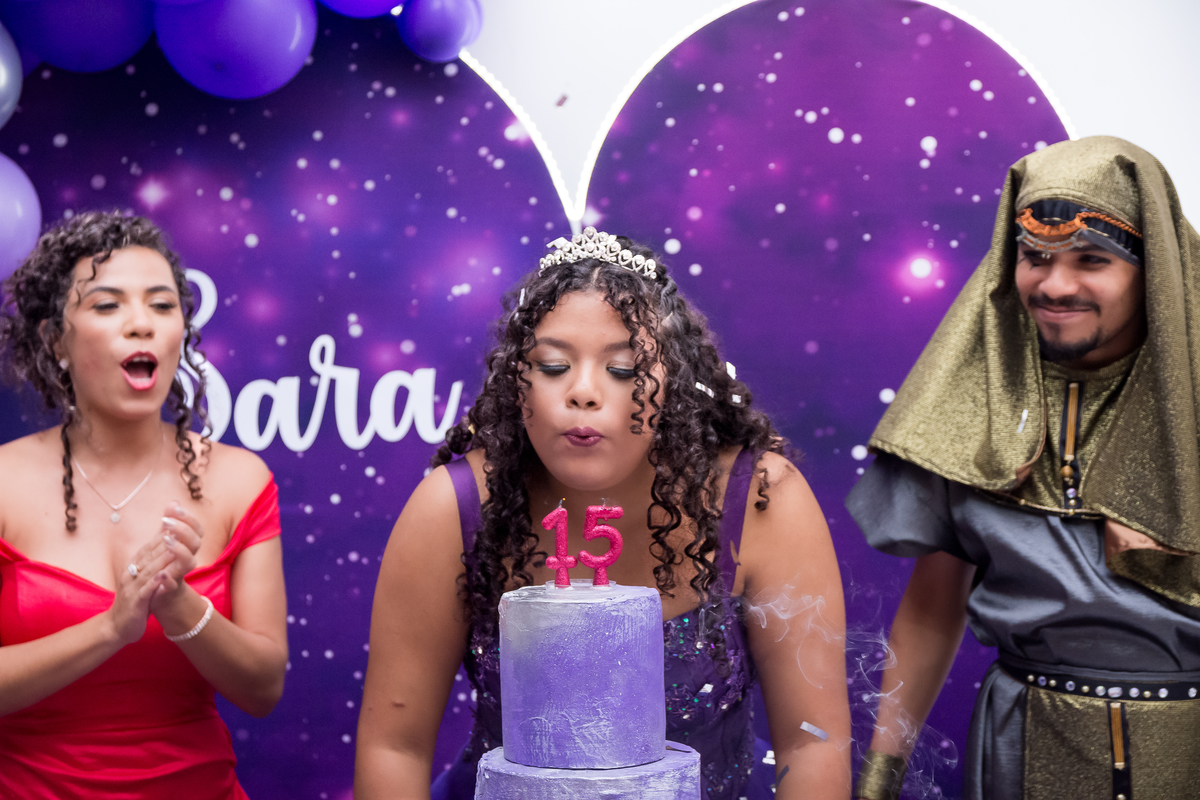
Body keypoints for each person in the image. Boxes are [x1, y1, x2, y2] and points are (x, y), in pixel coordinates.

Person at [355, 228, 851, 799]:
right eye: (552, 366)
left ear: (674, 382)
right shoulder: (455, 505)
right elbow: (394, 747)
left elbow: (812, 742)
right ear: (517, 382)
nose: (584, 392)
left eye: (622, 369)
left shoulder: (761, 498)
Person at [848, 136, 1200, 800]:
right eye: (1035, 257)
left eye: (1091, 259)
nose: (1055, 285)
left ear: (1151, 268)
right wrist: (878, 780)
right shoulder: (975, 400)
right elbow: (931, 609)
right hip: (1020, 747)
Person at [0, 211, 288, 798]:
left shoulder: (240, 480)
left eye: (162, 305)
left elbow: (263, 689)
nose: (142, 324)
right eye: (108, 306)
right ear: (56, 340)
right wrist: (112, 627)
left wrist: (179, 606)